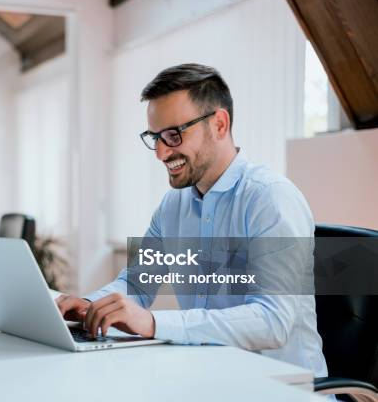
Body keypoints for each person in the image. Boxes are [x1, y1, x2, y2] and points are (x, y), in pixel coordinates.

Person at [56, 63, 327, 376]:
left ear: (220, 125)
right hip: (209, 378)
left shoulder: (271, 199)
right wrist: (90, 306)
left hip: (280, 390)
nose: (160, 153)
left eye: (173, 135)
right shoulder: (174, 205)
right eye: (154, 137)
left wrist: (153, 322)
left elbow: (272, 321)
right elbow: (137, 283)